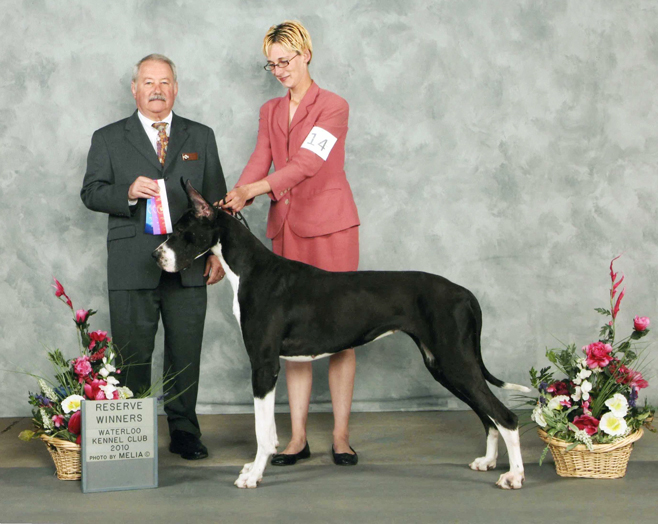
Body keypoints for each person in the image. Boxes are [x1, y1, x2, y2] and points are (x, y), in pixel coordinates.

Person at [220, 21, 361, 466]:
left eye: (286, 61)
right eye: (272, 64)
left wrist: (253, 191)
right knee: (290, 334)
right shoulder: (269, 110)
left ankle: (340, 434)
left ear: (307, 56)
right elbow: (260, 158)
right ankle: (297, 437)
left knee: (342, 330)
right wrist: (230, 204)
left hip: (332, 227)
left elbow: (307, 163)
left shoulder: (333, 106)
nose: (279, 70)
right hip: (286, 228)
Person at [81, 54, 227, 460]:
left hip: (189, 264)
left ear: (175, 89)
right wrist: (126, 192)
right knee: (132, 355)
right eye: (148, 82)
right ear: (135, 89)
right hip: (133, 262)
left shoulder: (201, 136)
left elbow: (216, 203)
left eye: (165, 82)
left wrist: (217, 254)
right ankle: (132, 433)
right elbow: (91, 192)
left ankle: (183, 431)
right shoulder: (108, 137)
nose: (157, 90)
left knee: (185, 352)